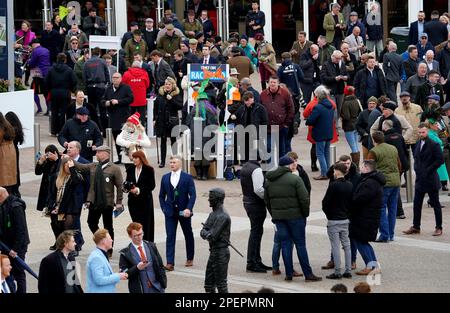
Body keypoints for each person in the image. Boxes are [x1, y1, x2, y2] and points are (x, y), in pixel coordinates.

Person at [264, 155, 322, 282]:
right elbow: (304, 199)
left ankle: (288, 274)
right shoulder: (295, 179)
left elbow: (267, 201)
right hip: (296, 218)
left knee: (285, 245)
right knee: (300, 244)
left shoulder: (269, 180)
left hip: (279, 218)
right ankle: (308, 274)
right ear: (289, 165)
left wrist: (274, 214)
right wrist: (304, 214)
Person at [73, 145, 124, 257]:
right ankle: (102, 240)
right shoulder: (94, 166)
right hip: (94, 201)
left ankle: (109, 249)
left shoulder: (114, 168)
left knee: (108, 226)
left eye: (98, 152)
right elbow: (81, 166)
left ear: (106, 153)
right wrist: (69, 159)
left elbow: (120, 186)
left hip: (107, 202)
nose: (96, 155)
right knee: (91, 222)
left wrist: (119, 202)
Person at [403, 123, 444, 237]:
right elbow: (416, 158)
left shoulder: (434, 144)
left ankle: (439, 227)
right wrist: (417, 169)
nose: (421, 134)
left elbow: (440, 160)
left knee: (435, 204)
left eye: (423, 132)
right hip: (420, 180)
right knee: (417, 204)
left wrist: (428, 169)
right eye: (419, 132)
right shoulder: (417, 144)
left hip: (431, 179)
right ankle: (416, 227)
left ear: (427, 132)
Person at [159, 155, 196, 271]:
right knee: (170, 236)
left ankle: (190, 257)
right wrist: (164, 208)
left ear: (180, 163)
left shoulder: (187, 177)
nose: (172, 164)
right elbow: (161, 195)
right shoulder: (165, 177)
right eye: (170, 162)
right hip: (170, 212)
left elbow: (193, 195)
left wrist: (188, 209)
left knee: (188, 234)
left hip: (183, 211)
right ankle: (170, 263)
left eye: (174, 162)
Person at [350, 160, 384, 276]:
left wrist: (351, 203)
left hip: (365, 217)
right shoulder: (372, 180)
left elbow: (359, 199)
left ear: (366, 168)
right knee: (363, 241)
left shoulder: (369, 183)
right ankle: (373, 265)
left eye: (362, 166)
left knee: (360, 241)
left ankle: (371, 265)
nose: (360, 168)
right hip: (368, 217)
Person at [367, 131, 401, 242]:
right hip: (396, 181)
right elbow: (399, 164)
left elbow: (368, 168)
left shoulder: (373, 151)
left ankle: (384, 235)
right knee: (392, 208)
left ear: (373, 140)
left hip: (383, 182)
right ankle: (391, 234)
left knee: (381, 208)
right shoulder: (393, 148)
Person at [322, 162, 353, 280]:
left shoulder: (333, 185)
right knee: (347, 245)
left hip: (334, 219)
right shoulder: (350, 185)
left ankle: (337, 271)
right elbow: (351, 202)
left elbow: (325, 203)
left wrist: (329, 215)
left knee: (335, 246)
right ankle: (348, 270)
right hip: (345, 219)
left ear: (337, 171)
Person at [46, 158, 85, 250]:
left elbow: (76, 181)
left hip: (69, 206)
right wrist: (51, 205)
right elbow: (51, 193)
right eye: (67, 165)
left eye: (70, 166)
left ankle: (73, 247)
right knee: (56, 225)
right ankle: (59, 242)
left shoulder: (75, 176)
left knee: (68, 228)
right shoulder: (56, 177)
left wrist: (72, 169)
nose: (68, 167)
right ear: (63, 166)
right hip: (57, 205)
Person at [240, 158, 270, 273]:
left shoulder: (245, 167)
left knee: (256, 232)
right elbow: (258, 189)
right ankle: (252, 262)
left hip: (247, 202)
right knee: (256, 233)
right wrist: (267, 198)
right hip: (256, 203)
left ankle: (256, 260)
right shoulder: (256, 170)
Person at [119, 222, 166, 293]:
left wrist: (163, 283)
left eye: (141, 234)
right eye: (136, 235)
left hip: (157, 287)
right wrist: (137, 268)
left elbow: (160, 266)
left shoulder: (151, 246)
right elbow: (124, 274)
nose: (139, 237)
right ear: (130, 236)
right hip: (140, 289)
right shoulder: (125, 253)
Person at [200, 188, 232, 293]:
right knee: (208, 285)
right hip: (213, 252)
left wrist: (206, 233)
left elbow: (212, 236)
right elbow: (203, 231)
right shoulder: (213, 214)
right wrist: (206, 233)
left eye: (211, 198)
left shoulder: (222, 216)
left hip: (221, 253)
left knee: (221, 285)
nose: (209, 200)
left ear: (217, 199)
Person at [0, 187, 30, 293]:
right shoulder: (3, 205)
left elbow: (21, 230)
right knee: (6, 271)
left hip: (17, 247)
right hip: (6, 245)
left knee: (19, 273)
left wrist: (15, 249)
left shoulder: (16, 207)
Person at [102, 72, 134, 164]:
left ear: (121, 78)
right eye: (113, 77)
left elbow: (131, 99)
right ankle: (120, 158)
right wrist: (106, 103)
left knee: (125, 139)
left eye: (116, 77)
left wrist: (119, 102)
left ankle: (127, 157)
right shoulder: (108, 89)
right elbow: (102, 100)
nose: (114, 79)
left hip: (124, 117)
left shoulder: (126, 88)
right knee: (116, 139)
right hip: (112, 117)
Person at [260, 76, 295, 160]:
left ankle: (281, 167)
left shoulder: (285, 94)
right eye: (271, 82)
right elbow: (259, 109)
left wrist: (286, 124)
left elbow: (291, 109)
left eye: (274, 82)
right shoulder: (263, 94)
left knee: (281, 149)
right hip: (268, 127)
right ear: (268, 83)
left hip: (281, 127)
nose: (272, 84)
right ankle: (270, 168)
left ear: (278, 83)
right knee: (268, 147)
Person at [124, 152, 156, 242]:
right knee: (136, 225)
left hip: (145, 201)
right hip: (133, 202)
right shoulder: (130, 169)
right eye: (133, 158)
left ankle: (147, 244)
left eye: (136, 158)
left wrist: (138, 190)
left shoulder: (149, 169)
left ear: (141, 159)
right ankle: (137, 243)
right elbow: (128, 182)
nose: (134, 160)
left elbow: (151, 186)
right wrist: (127, 188)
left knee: (146, 224)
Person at [305, 85, 335, 180]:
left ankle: (324, 173)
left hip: (320, 134)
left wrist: (308, 121)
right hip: (329, 133)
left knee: (320, 154)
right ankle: (328, 172)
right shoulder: (331, 106)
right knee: (326, 153)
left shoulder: (318, 107)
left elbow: (310, 120)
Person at [86, 229, 128, 293]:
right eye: (110, 238)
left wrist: (119, 275)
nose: (112, 240)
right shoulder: (96, 258)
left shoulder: (100, 254)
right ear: (104, 241)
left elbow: (105, 275)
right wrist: (118, 276)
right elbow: (99, 280)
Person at [154, 77, 183, 168]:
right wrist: (155, 119)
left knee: (173, 140)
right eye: (166, 84)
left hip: (172, 121)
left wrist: (171, 100)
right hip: (162, 120)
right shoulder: (160, 94)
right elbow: (156, 107)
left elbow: (179, 106)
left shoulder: (176, 94)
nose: (167, 86)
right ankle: (162, 161)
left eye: (169, 84)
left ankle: (175, 159)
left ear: (173, 85)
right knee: (163, 140)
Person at [46, 53, 77, 135]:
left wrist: (50, 89)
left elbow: (46, 81)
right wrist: (71, 89)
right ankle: (62, 131)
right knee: (64, 112)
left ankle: (54, 130)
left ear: (57, 59)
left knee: (54, 112)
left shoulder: (51, 69)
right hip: (65, 93)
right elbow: (74, 81)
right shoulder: (69, 70)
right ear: (65, 60)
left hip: (54, 93)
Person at [84, 47, 111, 133]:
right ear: (99, 53)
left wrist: (87, 86)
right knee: (102, 109)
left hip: (90, 87)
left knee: (92, 109)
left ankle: (94, 129)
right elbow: (107, 74)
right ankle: (104, 130)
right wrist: (107, 84)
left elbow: (84, 77)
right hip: (101, 87)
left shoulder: (87, 63)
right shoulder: (102, 62)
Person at [320, 50, 347, 118]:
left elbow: (347, 74)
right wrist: (334, 78)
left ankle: (336, 124)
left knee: (339, 109)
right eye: (337, 58)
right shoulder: (326, 64)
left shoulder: (342, 64)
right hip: (331, 90)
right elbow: (323, 78)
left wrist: (346, 77)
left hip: (340, 90)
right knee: (333, 109)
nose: (338, 60)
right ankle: (334, 126)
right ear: (332, 56)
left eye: (340, 58)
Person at [28, 38, 51, 115]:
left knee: (33, 92)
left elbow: (32, 64)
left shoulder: (35, 51)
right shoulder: (46, 50)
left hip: (38, 75)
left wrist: (29, 61)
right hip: (47, 73)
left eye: (32, 45)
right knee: (46, 93)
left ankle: (39, 108)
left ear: (34, 44)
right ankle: (48, 109)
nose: (31, 46)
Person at [4, 112, 23, 197]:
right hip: (15, 151)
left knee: (12, 169)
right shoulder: (17, 129)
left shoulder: (11, 131)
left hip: (11, 152)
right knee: (15, 170)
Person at [341, 86, 362, 164]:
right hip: (356, 124)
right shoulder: (357, 101)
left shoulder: (346, 103)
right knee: (356, 145)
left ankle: (356, 165)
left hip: (348, 126)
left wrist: (341, 114)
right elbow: (361, 112)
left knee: (353, 147)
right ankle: (357, 164)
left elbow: (346, 116)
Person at [0, 114, 18, 194]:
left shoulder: (1, 129)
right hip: (10, 155)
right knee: (8, 187)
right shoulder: (8, 126)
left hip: (3, 156)